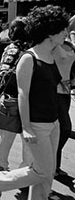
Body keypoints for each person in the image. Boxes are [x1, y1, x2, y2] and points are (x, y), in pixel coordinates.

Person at [0, 5, 68, 200]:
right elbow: (23, 94)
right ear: (50, 32)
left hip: (53, 122)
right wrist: (26, 128)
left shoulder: (53, 53)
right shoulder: (28, 58)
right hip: (37, 124)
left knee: (47, 173)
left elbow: (66, 58)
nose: (67, 32)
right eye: (63, 29)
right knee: (42, 171)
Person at [0, 17, 30, 172]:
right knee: (27, 137)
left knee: (6, 134)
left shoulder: (9, 47)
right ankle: (25, 171)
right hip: (20, 95)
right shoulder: (27, 50)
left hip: (6, 96)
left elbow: (1, 72)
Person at [52, 39, 75, 177]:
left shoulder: (69, 45)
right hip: (53, 92)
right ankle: (50, 161)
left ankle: (55, 165)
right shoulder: (50, 44)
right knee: (65, 128)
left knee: (61, 129)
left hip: (65, 92)